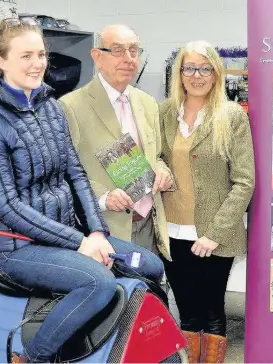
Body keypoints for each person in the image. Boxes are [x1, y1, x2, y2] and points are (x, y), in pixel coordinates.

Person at [0, 18, 164, 363]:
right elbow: (8, 206)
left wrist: (97, 232)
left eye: (41, 54)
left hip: (72, 235)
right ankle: (33, 357)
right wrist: (80, 243)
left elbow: (75, 174)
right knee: (98, 283)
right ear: (1, 61)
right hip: (21, 248)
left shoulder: (50, 108)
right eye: (26, 56)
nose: (37, 64)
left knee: (148, 264)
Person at [159, 40, 255, 363]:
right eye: (189, 68)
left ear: (216, 72)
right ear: (180, 73)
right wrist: (159, 166)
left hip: (214, 235)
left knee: (213, 309)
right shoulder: (164, 113)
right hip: (172, 229)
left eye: (204, 68)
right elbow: (153, 156)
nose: (196, 75)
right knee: (186, 312)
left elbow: (245, 181)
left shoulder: (231, 117)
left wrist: (214, 233)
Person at [59, 24, 174, 259]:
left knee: (146, 294)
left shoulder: (148, 103)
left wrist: (162, 171)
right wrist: (102, 197)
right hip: (105, 230)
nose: (129, 59)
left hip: (148, 226)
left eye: (134, 50)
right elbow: (62, 173)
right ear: (97, 57)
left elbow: (157, 156)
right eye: (118, 50)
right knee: (115, 296)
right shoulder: (70, 106)